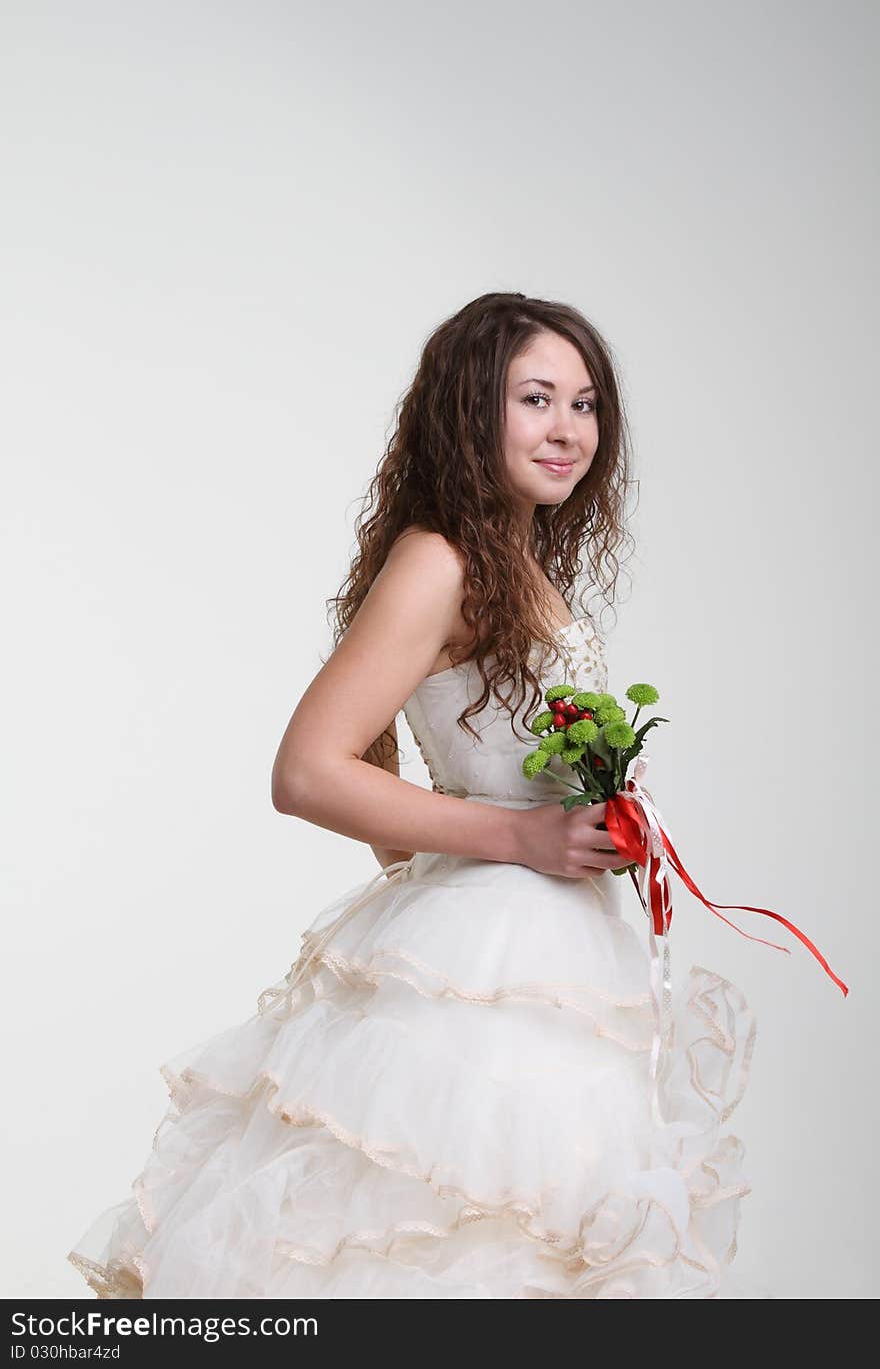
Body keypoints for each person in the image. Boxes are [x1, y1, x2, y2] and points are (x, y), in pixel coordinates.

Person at [67, 291, 761, 1299]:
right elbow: (307, 768)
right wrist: (517, 838)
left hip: (555, 955)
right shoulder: (439, 559)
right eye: (535, 398)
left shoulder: (515, 561)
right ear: (471, 410)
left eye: (585, 403)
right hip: (487, 965)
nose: (568, 429)